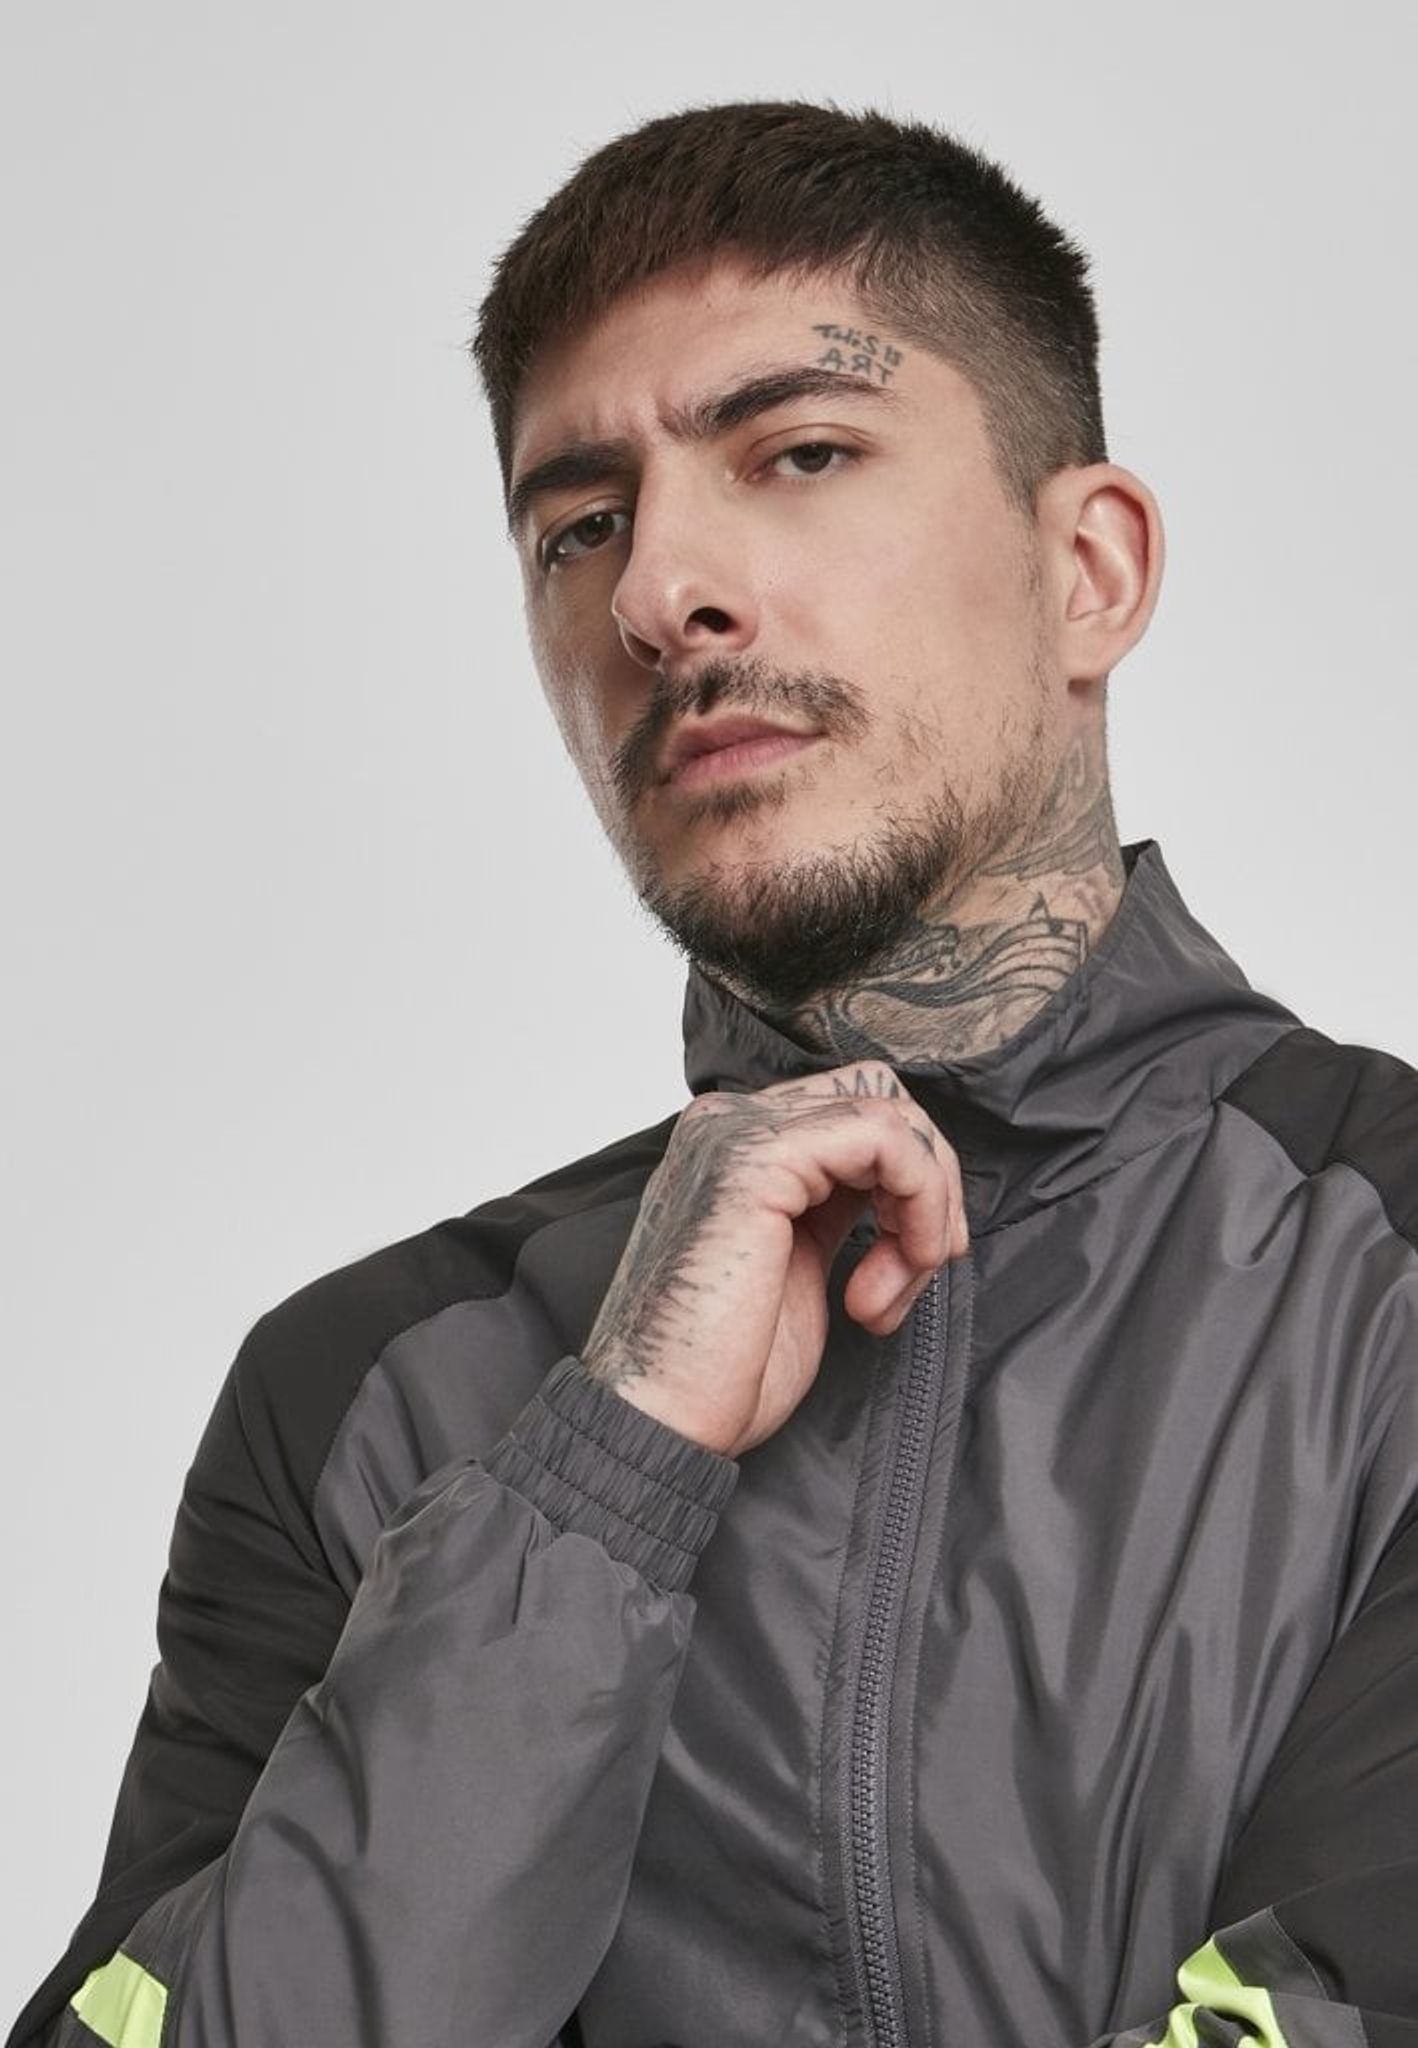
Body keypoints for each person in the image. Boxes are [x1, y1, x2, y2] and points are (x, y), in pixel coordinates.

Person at [11, 98, 1418, 2048]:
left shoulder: (1387, 1262)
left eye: (800, 452)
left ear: (1086, 568)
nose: (657, 588)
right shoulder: (358, 1401)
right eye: (578, 523)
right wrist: (603, 1475)